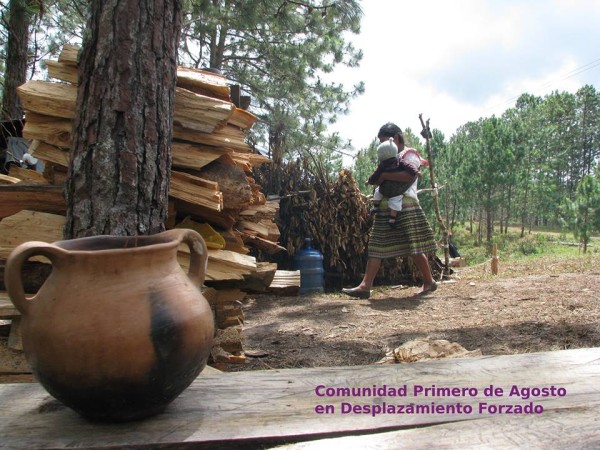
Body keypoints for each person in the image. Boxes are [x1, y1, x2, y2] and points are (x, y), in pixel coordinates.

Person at [343, 122, 438, 298]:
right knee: (376, 244)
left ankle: (428, 281)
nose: (381, 144)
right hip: (387, 205)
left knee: (414, 246)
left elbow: (409, 175)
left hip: (407, 204)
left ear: (394, 138)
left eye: (383, 140)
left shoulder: (410, 155)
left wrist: (385, 176)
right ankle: (365, 286)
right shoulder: (388, 158)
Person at [367, 137, 419, 228]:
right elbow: (410, 167)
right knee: (395, 202)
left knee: (377, 192)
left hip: (384, 189)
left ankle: (375, 207)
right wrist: (416, 172)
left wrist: (370, 181)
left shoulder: (382, 165)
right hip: (396, 191)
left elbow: (375, 175)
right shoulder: (400, 161)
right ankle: (392, 219)